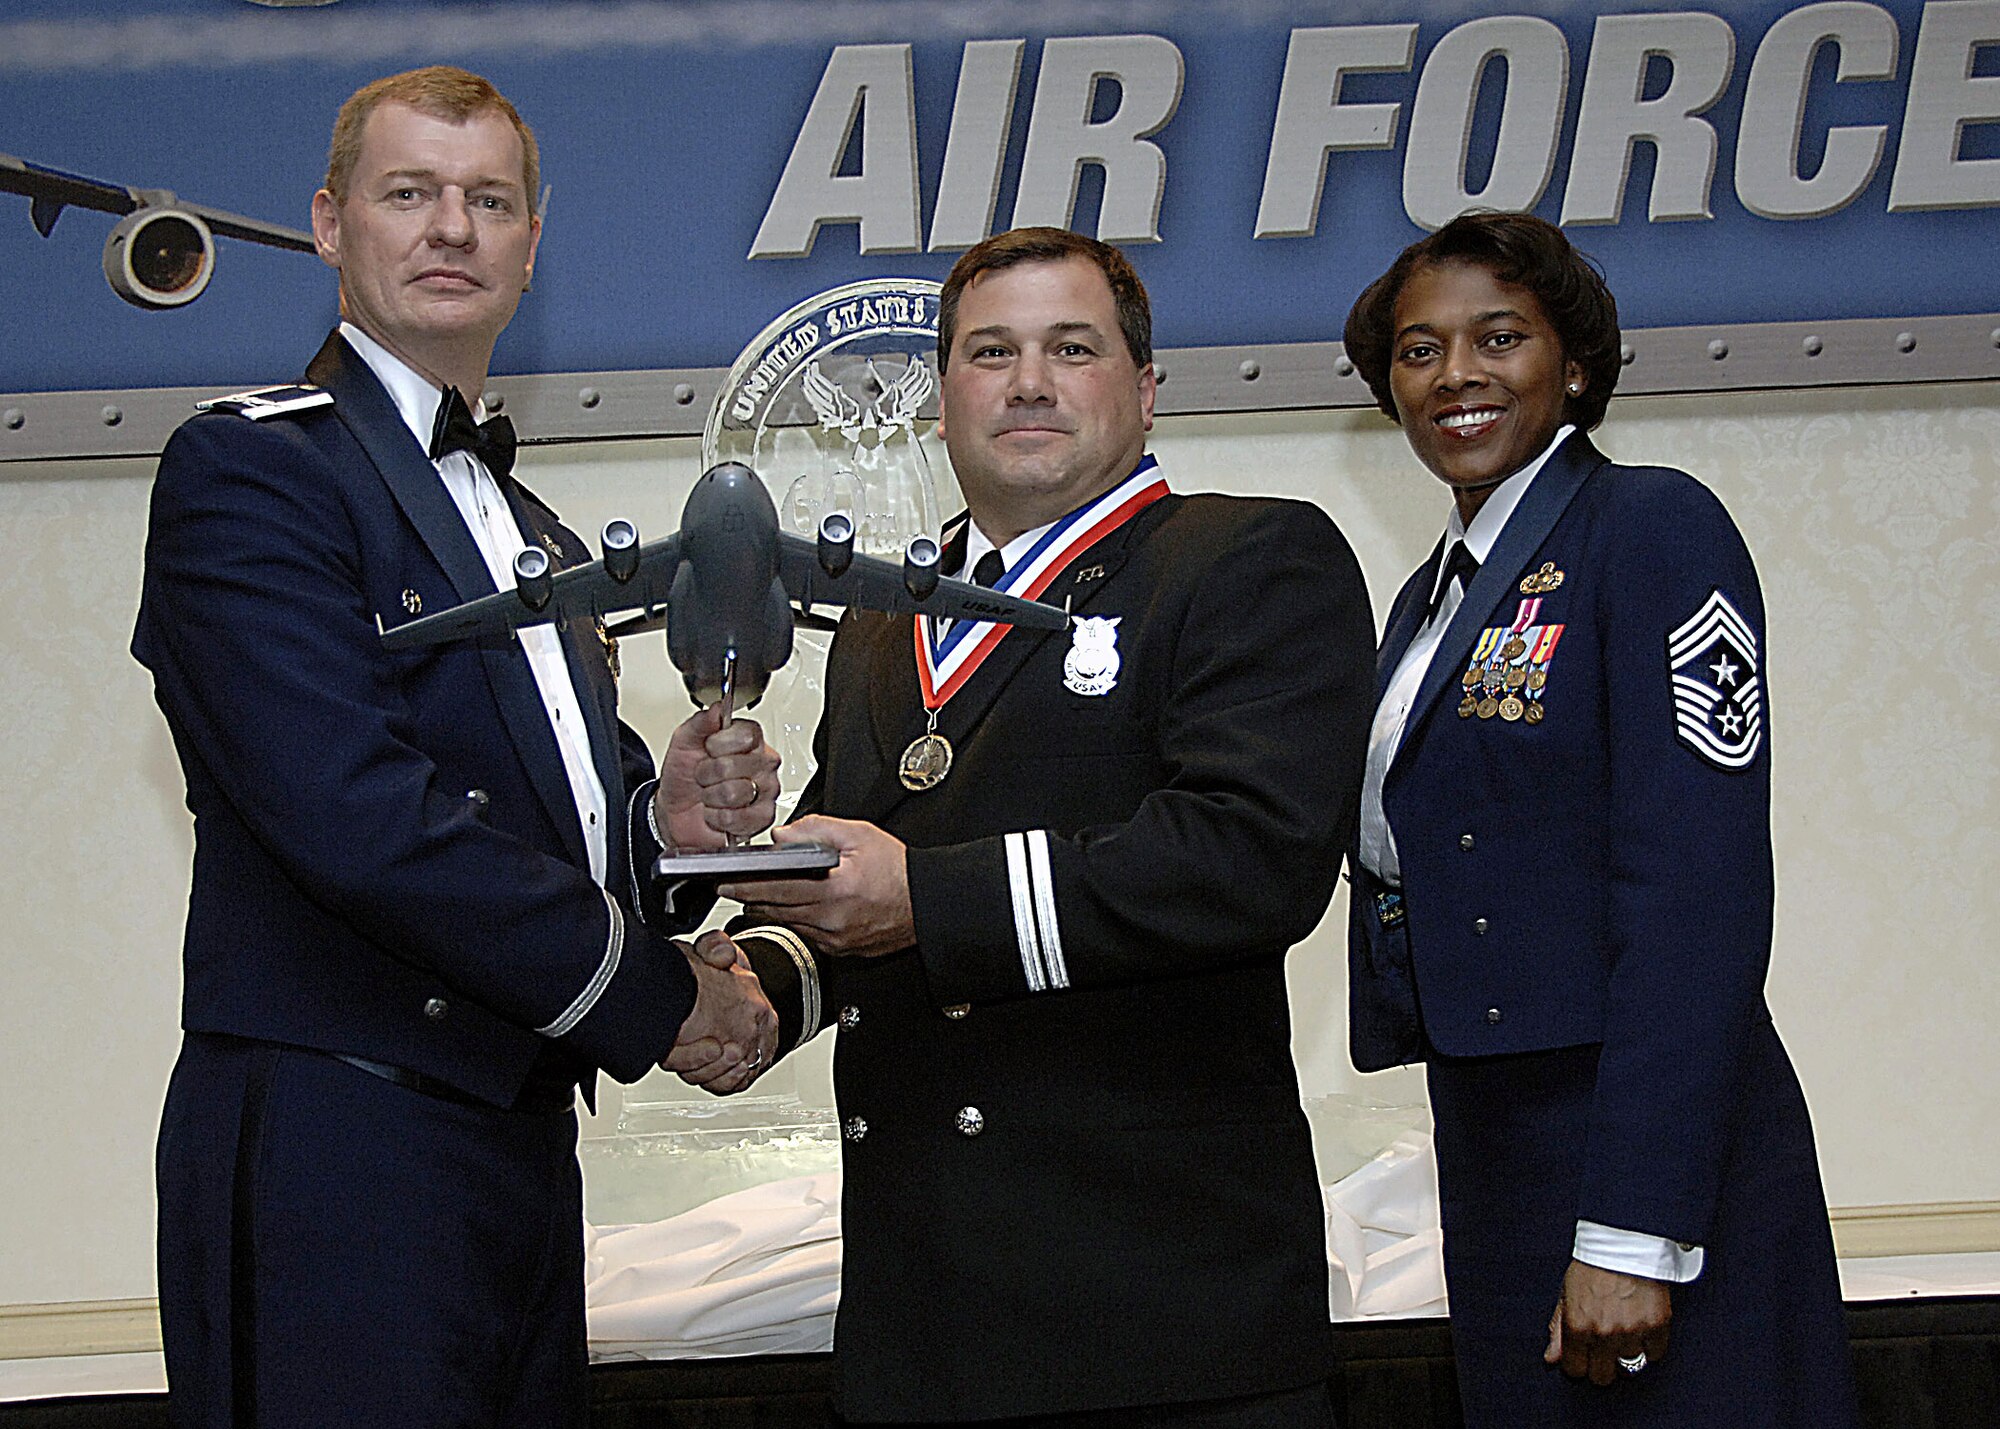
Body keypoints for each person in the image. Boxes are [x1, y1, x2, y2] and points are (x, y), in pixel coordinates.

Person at [132, 66, 780, 1428]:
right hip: (339, 1143)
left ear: (532, 246)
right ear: (328, 224)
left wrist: (663, 827)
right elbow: (361, 817)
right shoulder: (251, 471)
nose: (451, 228)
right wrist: (664, 1000)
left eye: (490, 201)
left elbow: (545, 819)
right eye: (410, 193)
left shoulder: (527, 524)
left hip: (514, 1145)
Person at [668, 227, 1375, 1425]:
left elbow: (1250, 860)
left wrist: (923, 901)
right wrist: (757, 987)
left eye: (1071, 348)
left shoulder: (1244, 557)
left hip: (1161, 1323)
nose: (1028, 381)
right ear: (941, 399)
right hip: (925, 1319)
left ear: (1144, 389)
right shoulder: (885, 628)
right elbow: (856, 894)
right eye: (990, 352)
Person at [1341, 211, 1857, 1426]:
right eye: (1418, 351)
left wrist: (1635, 1227)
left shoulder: (1649, 528)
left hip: (1643, 1147)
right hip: (1498, 1137)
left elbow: (1695, 897)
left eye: (1497, 337)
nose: (1454, 374)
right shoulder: (1434, 595)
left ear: (1571, 364)